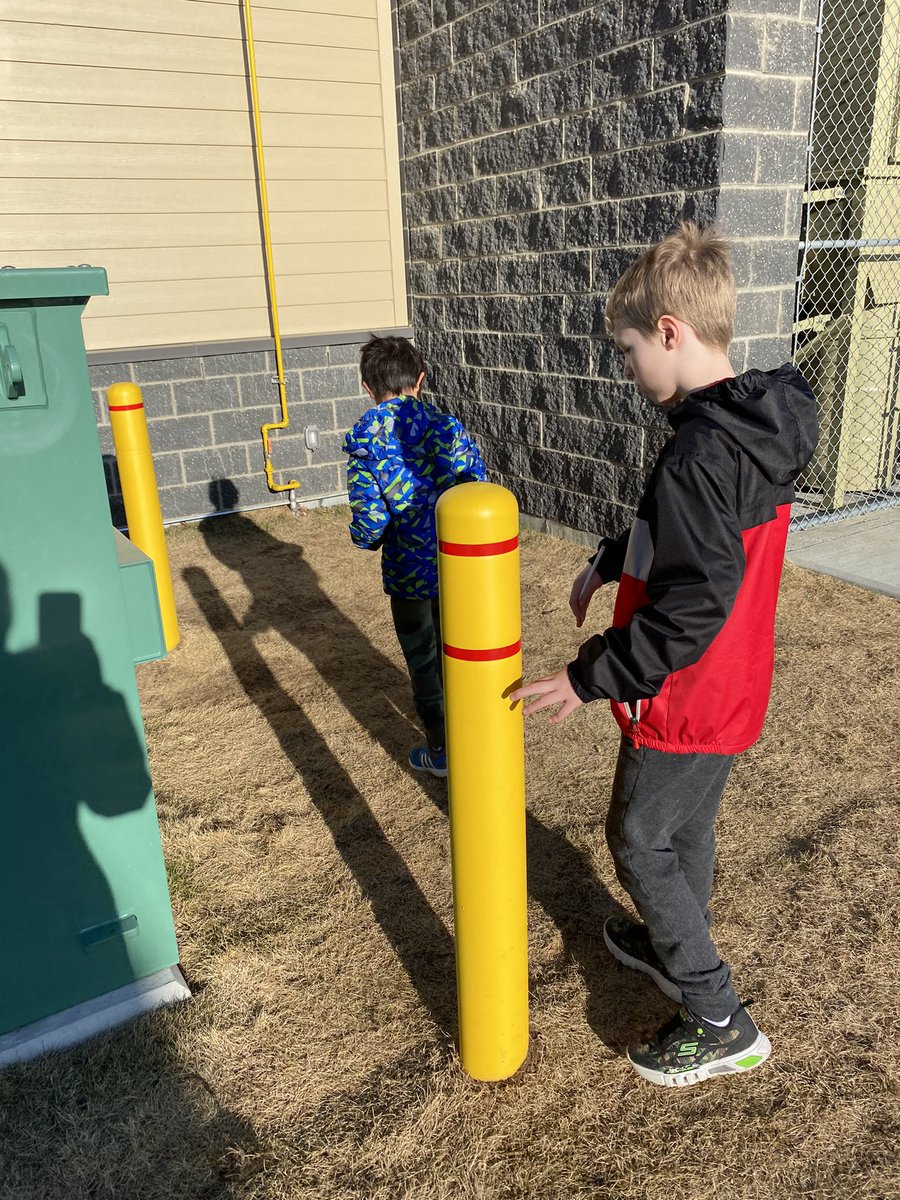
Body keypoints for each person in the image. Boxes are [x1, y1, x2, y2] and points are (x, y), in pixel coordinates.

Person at [511, 223, 818, 1087]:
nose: (628, 367)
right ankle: (671, 936)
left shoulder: (698, 449)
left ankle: (718, 1016)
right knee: (686, 826)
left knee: (639, 835)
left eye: (631, 349)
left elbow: (692, 603)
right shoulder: (747, 422)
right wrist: (611, 558)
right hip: (733, 688)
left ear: (673, 331)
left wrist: (588, 674)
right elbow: (688, 543)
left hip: (685, 695)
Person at [343, 335, 486, 778]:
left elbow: (369, 521)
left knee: (424, 660)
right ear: (420, 379)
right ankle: (478, 740)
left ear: (368, 386)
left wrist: (368, 539)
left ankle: (443, 750)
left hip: (408, 574)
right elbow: (477, 489)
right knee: (463, 653)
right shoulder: (449, 428)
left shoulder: (364, 441)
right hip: (459, 566)